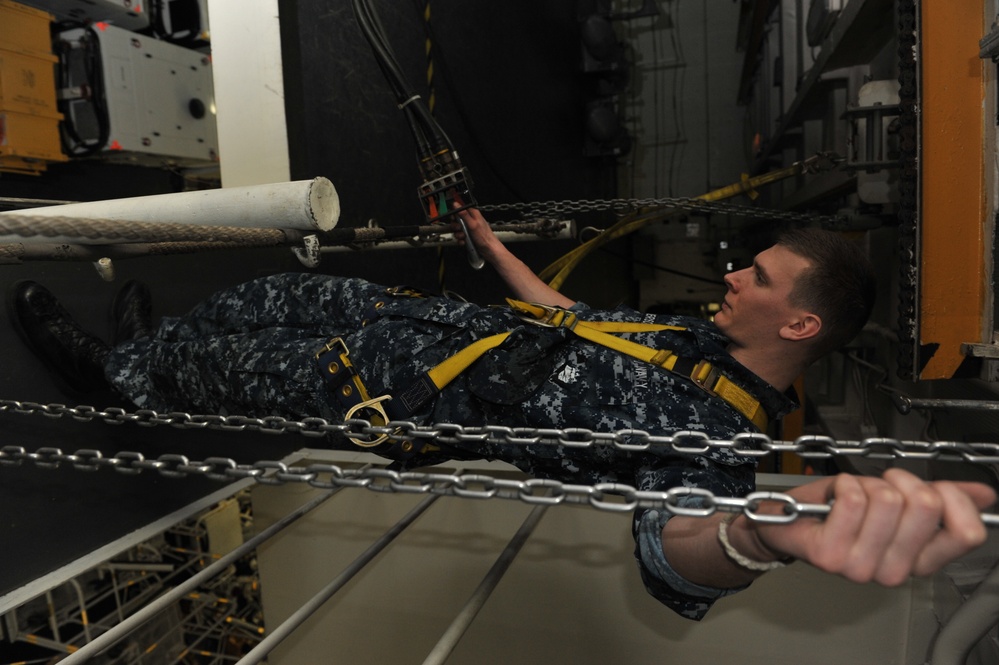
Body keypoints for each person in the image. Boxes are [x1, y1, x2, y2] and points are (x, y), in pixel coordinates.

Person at [7, 209, 996, 621]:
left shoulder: (725, 437)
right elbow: (573, 319)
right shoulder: (702, 340)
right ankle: (154, 346)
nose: (734, 272)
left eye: (760, 274)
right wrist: (493, 249)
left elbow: (677, 552)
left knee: (217, 371)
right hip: (427, 324)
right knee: (255, 298)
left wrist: (766, 533)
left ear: (802, 318)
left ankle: (119, 379)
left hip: (391, 392)